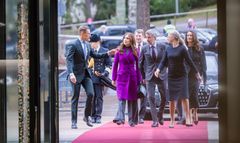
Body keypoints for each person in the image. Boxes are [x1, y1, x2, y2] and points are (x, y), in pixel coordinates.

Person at [65, 25, 114, 129]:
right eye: (88, 33)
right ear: (82, 34)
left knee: (91, 94)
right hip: (75, 75)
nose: (90, 35)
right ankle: (74, 121)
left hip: (86, 74)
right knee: (75, 97)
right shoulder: (73, 44)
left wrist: (108, 53)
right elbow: (69, 60)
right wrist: (71, 74)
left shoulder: (88, 45)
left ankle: (86, 117)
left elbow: (96, 56)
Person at [155, 30, 201, 128]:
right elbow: (163, 61)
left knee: (184, 97)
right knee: (172, 99)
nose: (167, 37)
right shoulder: (168, 48)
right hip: (171, 76)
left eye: (169, 35)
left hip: (182, 76)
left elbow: (189, 61)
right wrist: (158, 69)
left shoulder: (182, 48)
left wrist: (197, 73)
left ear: (175, 37)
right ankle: (172, 120)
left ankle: (188, 118)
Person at [139, 29, 167, 127]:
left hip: (161, 74)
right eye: (146, 37)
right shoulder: (144, 48)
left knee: (165, 97)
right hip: (149, 76)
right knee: (150, 97)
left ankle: (160, 114)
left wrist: (162, 69)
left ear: (154, 37)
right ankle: (155, 120)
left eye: (149, 37)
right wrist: (143, 76)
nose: (147, 39)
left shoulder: (163, 46)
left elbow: (166, 60)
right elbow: (140, 64)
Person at [112, 32, 141, 127]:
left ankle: (132, 121)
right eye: (124, 38)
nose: (125, 40)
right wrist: (113, 78)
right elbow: (115, 65)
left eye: (128, 38)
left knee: (132, 99)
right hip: (121, 78)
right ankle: (120, 118)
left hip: (132, 78)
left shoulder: (135, 51)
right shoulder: (118, 51)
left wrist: (139, 79)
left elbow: (138, 67)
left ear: (131, 40)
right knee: (121, 98)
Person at [89, 34, 112, 124]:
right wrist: (91, 71)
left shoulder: (105, 51)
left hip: (100, 78)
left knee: (99, 97)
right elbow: (87, 64)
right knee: (91, 97)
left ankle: (98, 116)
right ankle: (92, 115)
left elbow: (109, 65)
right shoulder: (89, 51)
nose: (91, 44)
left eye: (93, 42)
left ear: (98, 42)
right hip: (90, 77)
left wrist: (104, 73)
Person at [185, 30, 207, 125]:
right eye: (187, 35)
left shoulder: (200, 48)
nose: (189, 37)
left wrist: (202, 75)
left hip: (196, 75)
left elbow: (203, 63)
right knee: (188, 95)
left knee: (194, 94)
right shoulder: (184, 48)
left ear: (194, 37)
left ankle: (195, 112)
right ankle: (189, 115)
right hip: (187, 75)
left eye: (191, 35)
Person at [134, 29, 148, 124]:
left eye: (140, 36)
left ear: (143, 37)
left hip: (144, 75)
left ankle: (141, 116)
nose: (138, 37)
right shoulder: (131, 47)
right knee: (133, 96)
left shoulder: (147, 47)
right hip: (133, 75)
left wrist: (146, 76)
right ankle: (134, 116)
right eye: (137, 36)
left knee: (144, 95)